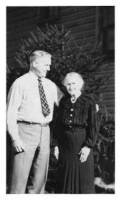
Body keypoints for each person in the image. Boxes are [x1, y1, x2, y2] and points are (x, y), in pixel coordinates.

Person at [7, 50, 62, 194]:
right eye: (46, 65)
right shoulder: (20, 83)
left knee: (40, 179)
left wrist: (88, 104)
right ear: (35, 63)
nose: (49, 68)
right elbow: (10, 113)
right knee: (19, 179)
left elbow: (65, 103)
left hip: (45, 131)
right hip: (25, 130)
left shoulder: (50, 84)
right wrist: (15, 138)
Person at [54, 72, 97, 194]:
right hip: (65, 148)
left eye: (73, 83)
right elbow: (57, 126)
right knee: (65, 182)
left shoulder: (89, 102)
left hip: (81, 146)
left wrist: (88, 146)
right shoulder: (63, 102)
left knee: (83, 180)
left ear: (80, 84)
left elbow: (94, 126)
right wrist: (55, 145)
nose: (71, 87)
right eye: (68, 84)